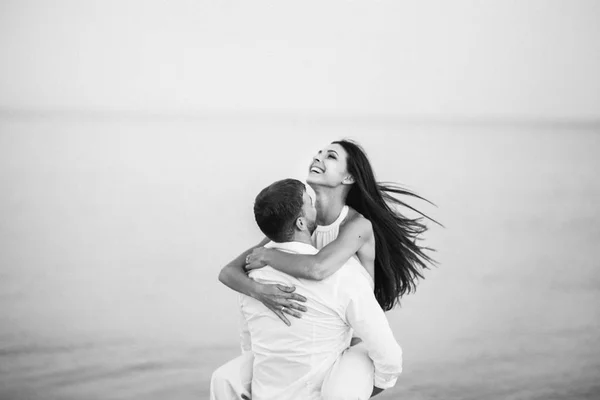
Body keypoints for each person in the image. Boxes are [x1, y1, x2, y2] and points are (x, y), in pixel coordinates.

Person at [213, 139, 437, 398]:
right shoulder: (303, 222)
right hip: (308, 339)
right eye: (318, 153)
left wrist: (268, 257)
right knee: (226, 379)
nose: (318, 158)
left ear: (349, 176)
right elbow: (229, 272)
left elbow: (318, 269)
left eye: (330, 156)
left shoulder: (356, 226)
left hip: (350, 336)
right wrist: (259, 290)